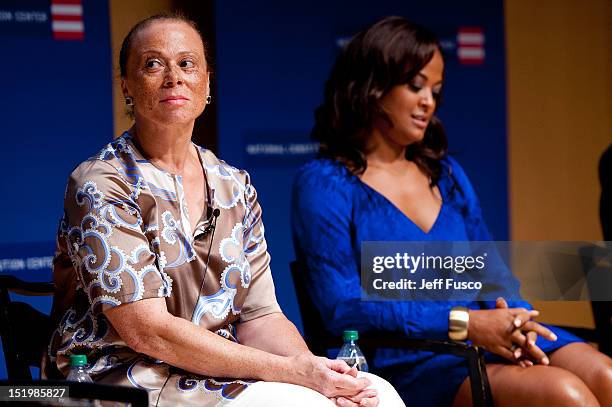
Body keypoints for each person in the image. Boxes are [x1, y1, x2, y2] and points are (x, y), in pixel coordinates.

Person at [42, 13, 405, 407]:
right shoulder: (101, 182)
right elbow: (148, 333)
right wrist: (292, 375)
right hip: (116, 375)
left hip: (214, 371)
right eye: (152, 64)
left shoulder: (235, 185)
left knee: (376, 393)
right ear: (127, 85)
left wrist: (312, 371)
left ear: (207, 83)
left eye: (187, 63)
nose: (173, 76)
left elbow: (261, 317)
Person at [291, 16, 612, 407]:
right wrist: (463, 324)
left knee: (606, 375)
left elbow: (492, 274)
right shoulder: (325, 184)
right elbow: (341, 307)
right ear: (373, 87)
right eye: (416, 86)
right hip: (412, 356)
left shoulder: (446, 174)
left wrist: (517, 321)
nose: (429, 101)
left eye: (436, 89)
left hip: (487, 334)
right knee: (567, 395)